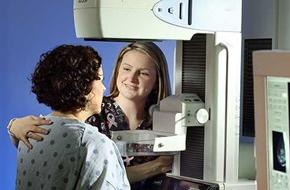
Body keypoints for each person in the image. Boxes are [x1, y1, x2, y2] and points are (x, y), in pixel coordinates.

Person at [7, 42, 173, 190]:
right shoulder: (93, 131)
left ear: (158, 80)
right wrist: (14, 127)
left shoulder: (167, 121)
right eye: (127, 69)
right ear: (84, 89)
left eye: (143, 73)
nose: (131, 78)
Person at [14, 44, 130, 189]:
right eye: (100, 79)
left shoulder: (29, 133)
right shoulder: (94, 144)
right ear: (84, 87)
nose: (103, 87)